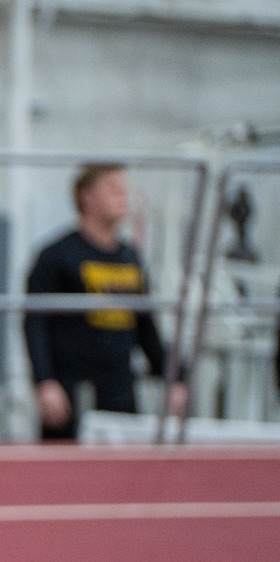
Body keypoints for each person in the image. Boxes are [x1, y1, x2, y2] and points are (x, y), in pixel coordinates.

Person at [24, 164, 184, 440]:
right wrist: (44, 382)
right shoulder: (57, 256)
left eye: (125, 189)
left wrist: (173, 377)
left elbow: (146, 326)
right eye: (112, 189)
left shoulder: (130, 257)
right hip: (73, 388)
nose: (123, 197)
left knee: (124, 475)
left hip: (119, 388)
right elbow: (34, 324)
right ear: (87, 197)